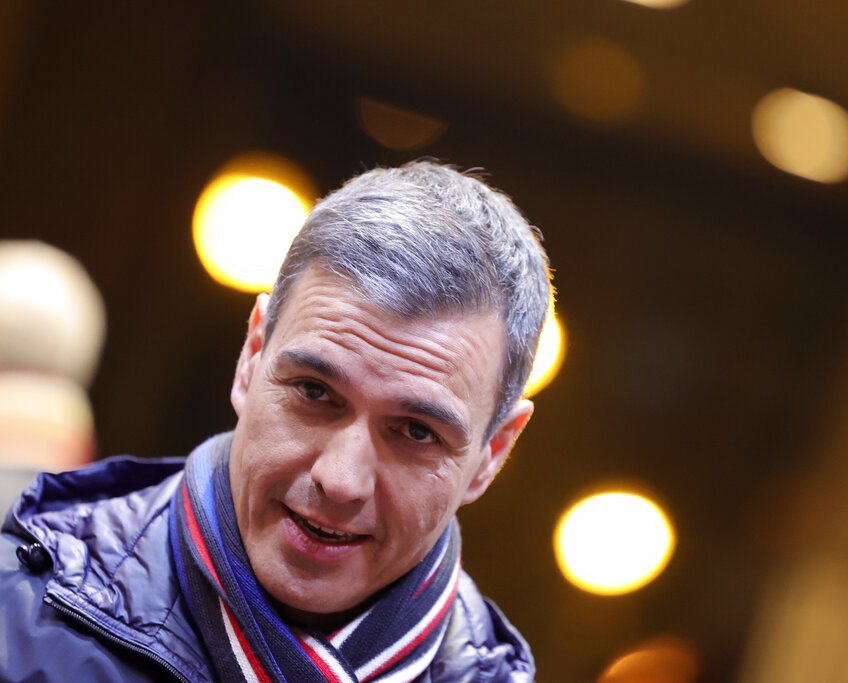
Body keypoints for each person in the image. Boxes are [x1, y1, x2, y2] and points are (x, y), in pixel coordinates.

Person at [0, 161, 551, 682]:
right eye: (314, 391)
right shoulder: (14, 621)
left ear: (492, 454)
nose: (340, 480)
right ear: (251, 356)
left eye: (417, 432)